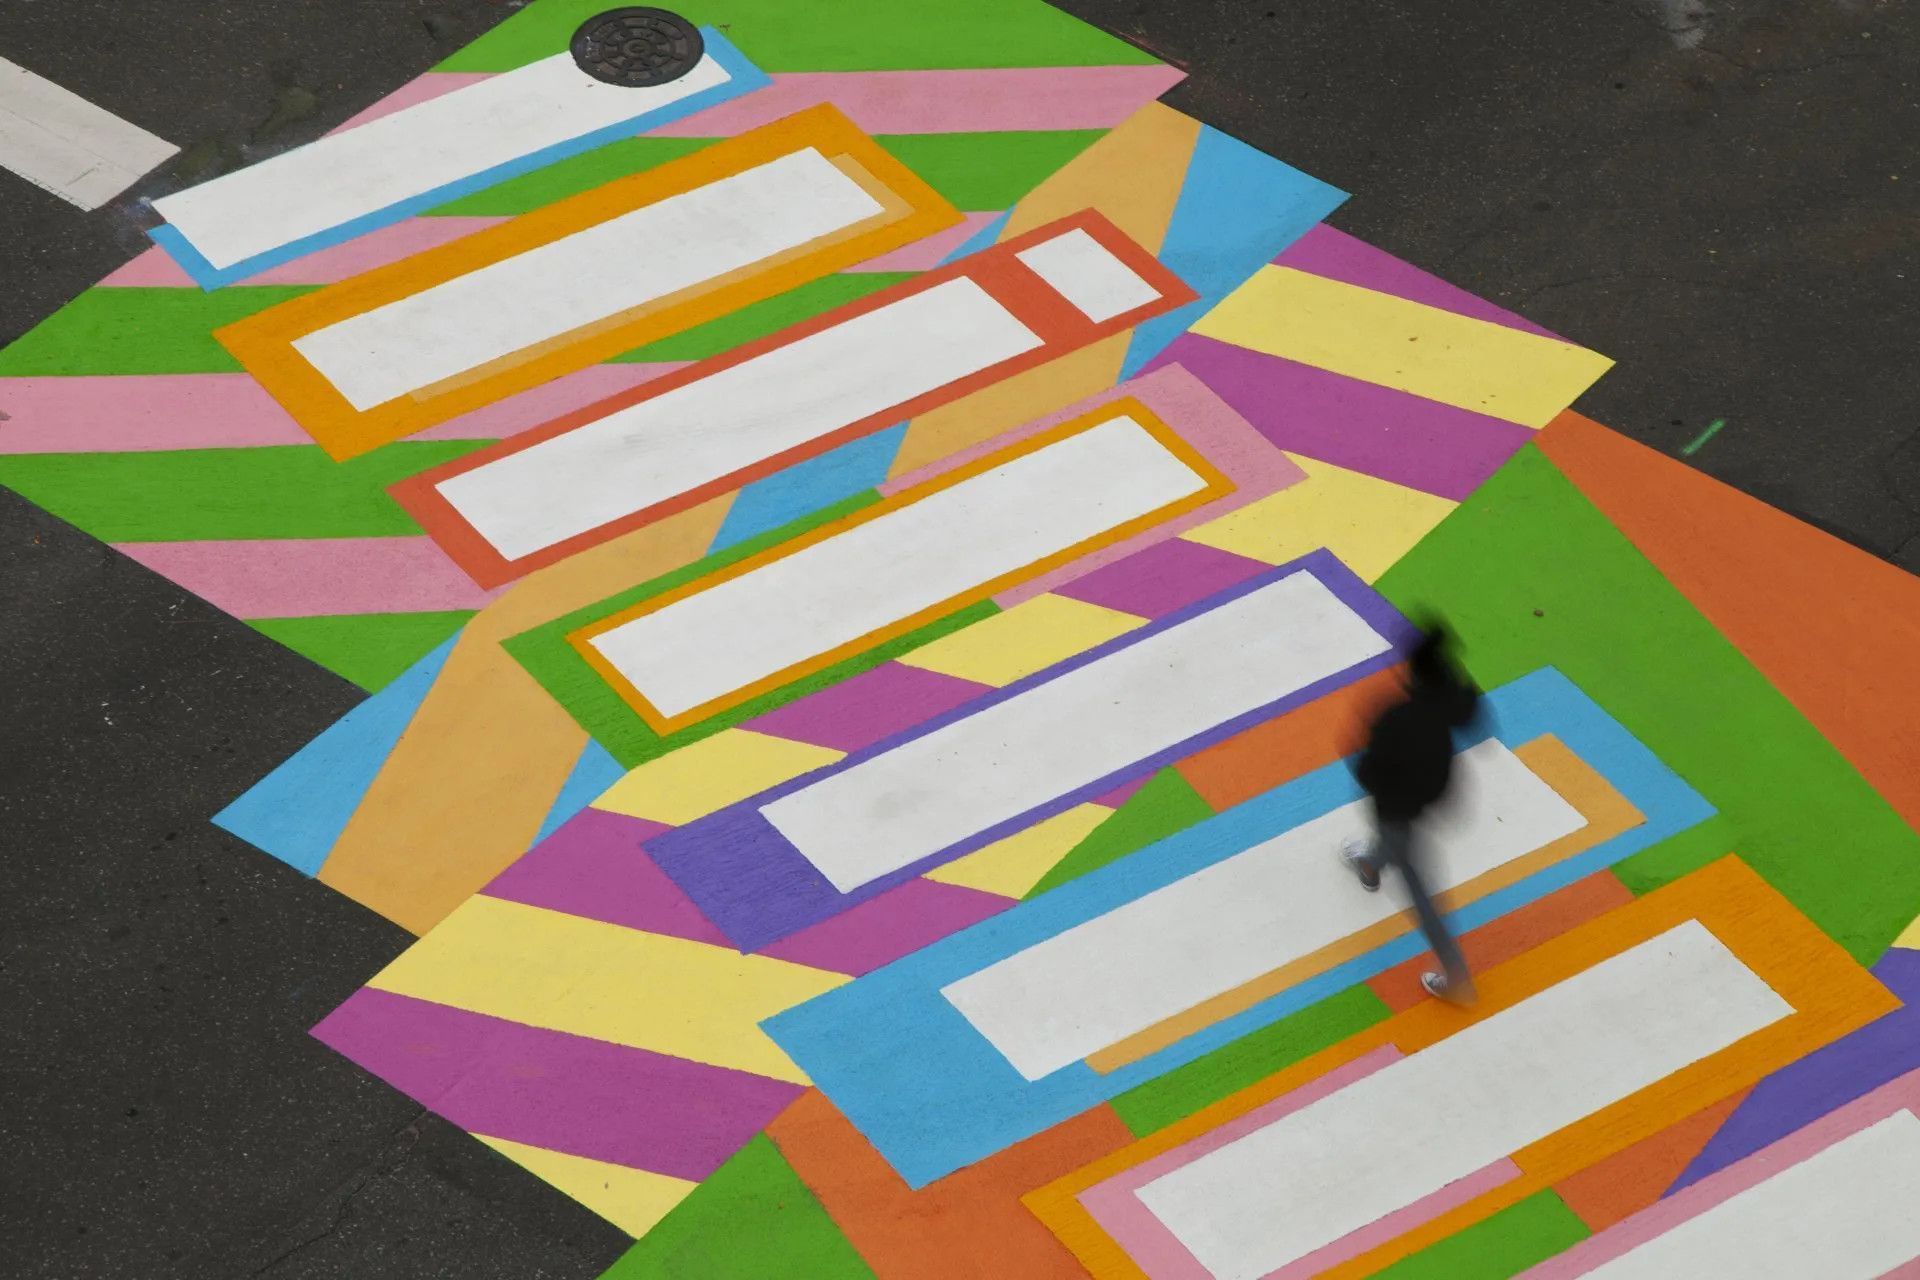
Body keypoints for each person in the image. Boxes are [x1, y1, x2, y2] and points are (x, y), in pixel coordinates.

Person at [1341, 622, 1486, 1004]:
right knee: (1395, 843)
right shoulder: (1450, 700)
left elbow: (1368, 770)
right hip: (1435, 793)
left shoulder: (1399, 718)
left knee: (1418, 885)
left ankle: (1457, 978)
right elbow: (1473, 712)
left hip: (1398, 804)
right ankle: (1370, 865)